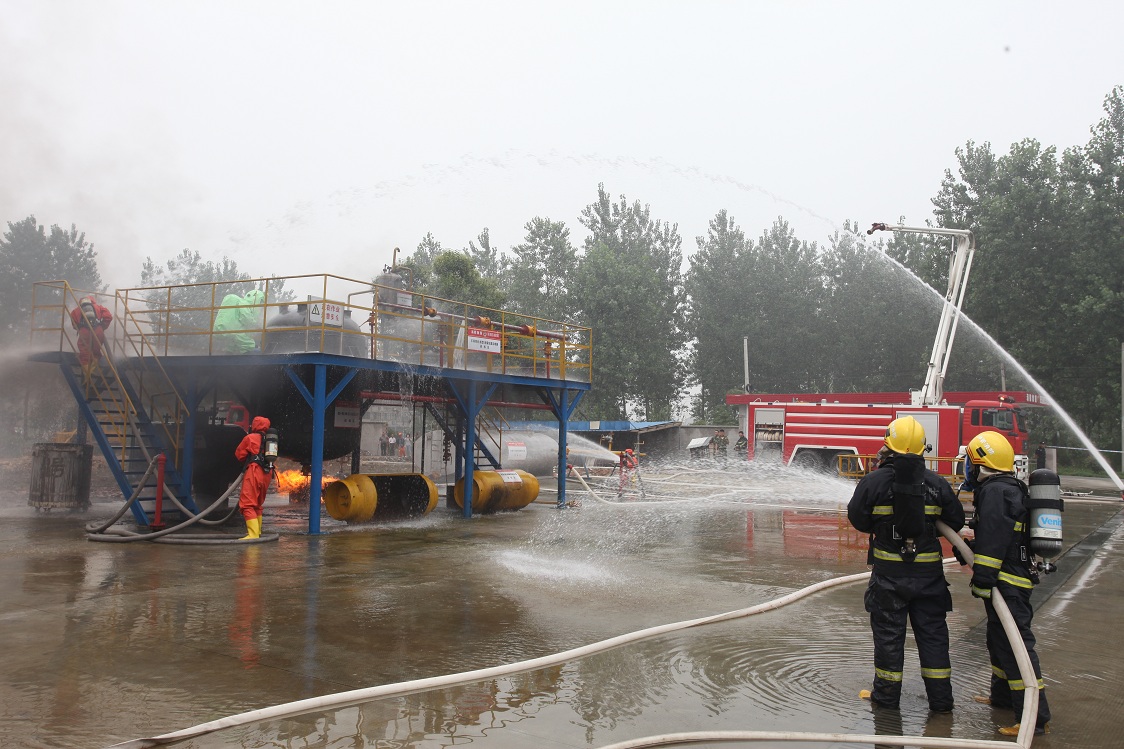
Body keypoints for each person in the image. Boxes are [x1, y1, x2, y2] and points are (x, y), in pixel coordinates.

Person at [847, 415, 965, 713]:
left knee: (889, 639)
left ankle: (886, 700)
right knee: (934, 638)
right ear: (923, 448)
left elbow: (858, 519)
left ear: (888, 446)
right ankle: (941, 702)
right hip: (930, 580)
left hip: (889, 580)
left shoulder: (873, 482)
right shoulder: (937, 484)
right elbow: (955, 521)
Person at [960, 430, 1051, 736]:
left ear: (980, 464)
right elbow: (999, 538)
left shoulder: (996, 492)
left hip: (1007, 582)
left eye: (969, 462)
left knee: (1016, 647)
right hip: (1009, 577)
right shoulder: (1006, 488)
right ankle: (1001, 699)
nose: (967, 468)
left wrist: (982, 581)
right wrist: (967, 549)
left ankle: (1034, 718)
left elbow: (996, 542)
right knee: (998, 641)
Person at [235, 416, 274, 540]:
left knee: (247, 504)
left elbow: (239, 455)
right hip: (267, 473)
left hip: (254, 471)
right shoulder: (270, 440)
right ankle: (258, 532)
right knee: (257, 504)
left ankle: (253, 534)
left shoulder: (250, 438)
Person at [69, 295, 113, 385]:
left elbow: (74, 324)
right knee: (96, 351)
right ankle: (93, 369)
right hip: (98, 330)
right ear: (92, 300)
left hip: (84, 331)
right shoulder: (99, 307)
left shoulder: (76, 310)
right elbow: (108, 317)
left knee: (84, 352)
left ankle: (87, 375)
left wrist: (81, 328)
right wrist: (102, 327)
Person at [213, 289, 266, 354]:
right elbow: (246, 318)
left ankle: (229, 353)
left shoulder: (237, 302)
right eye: (261, 303)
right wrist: (256, 325)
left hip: (220, 329)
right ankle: (249, 354)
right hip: (233, 330)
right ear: (257, 300)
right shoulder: (244, 304)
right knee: (247, 343)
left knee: (232, 342)